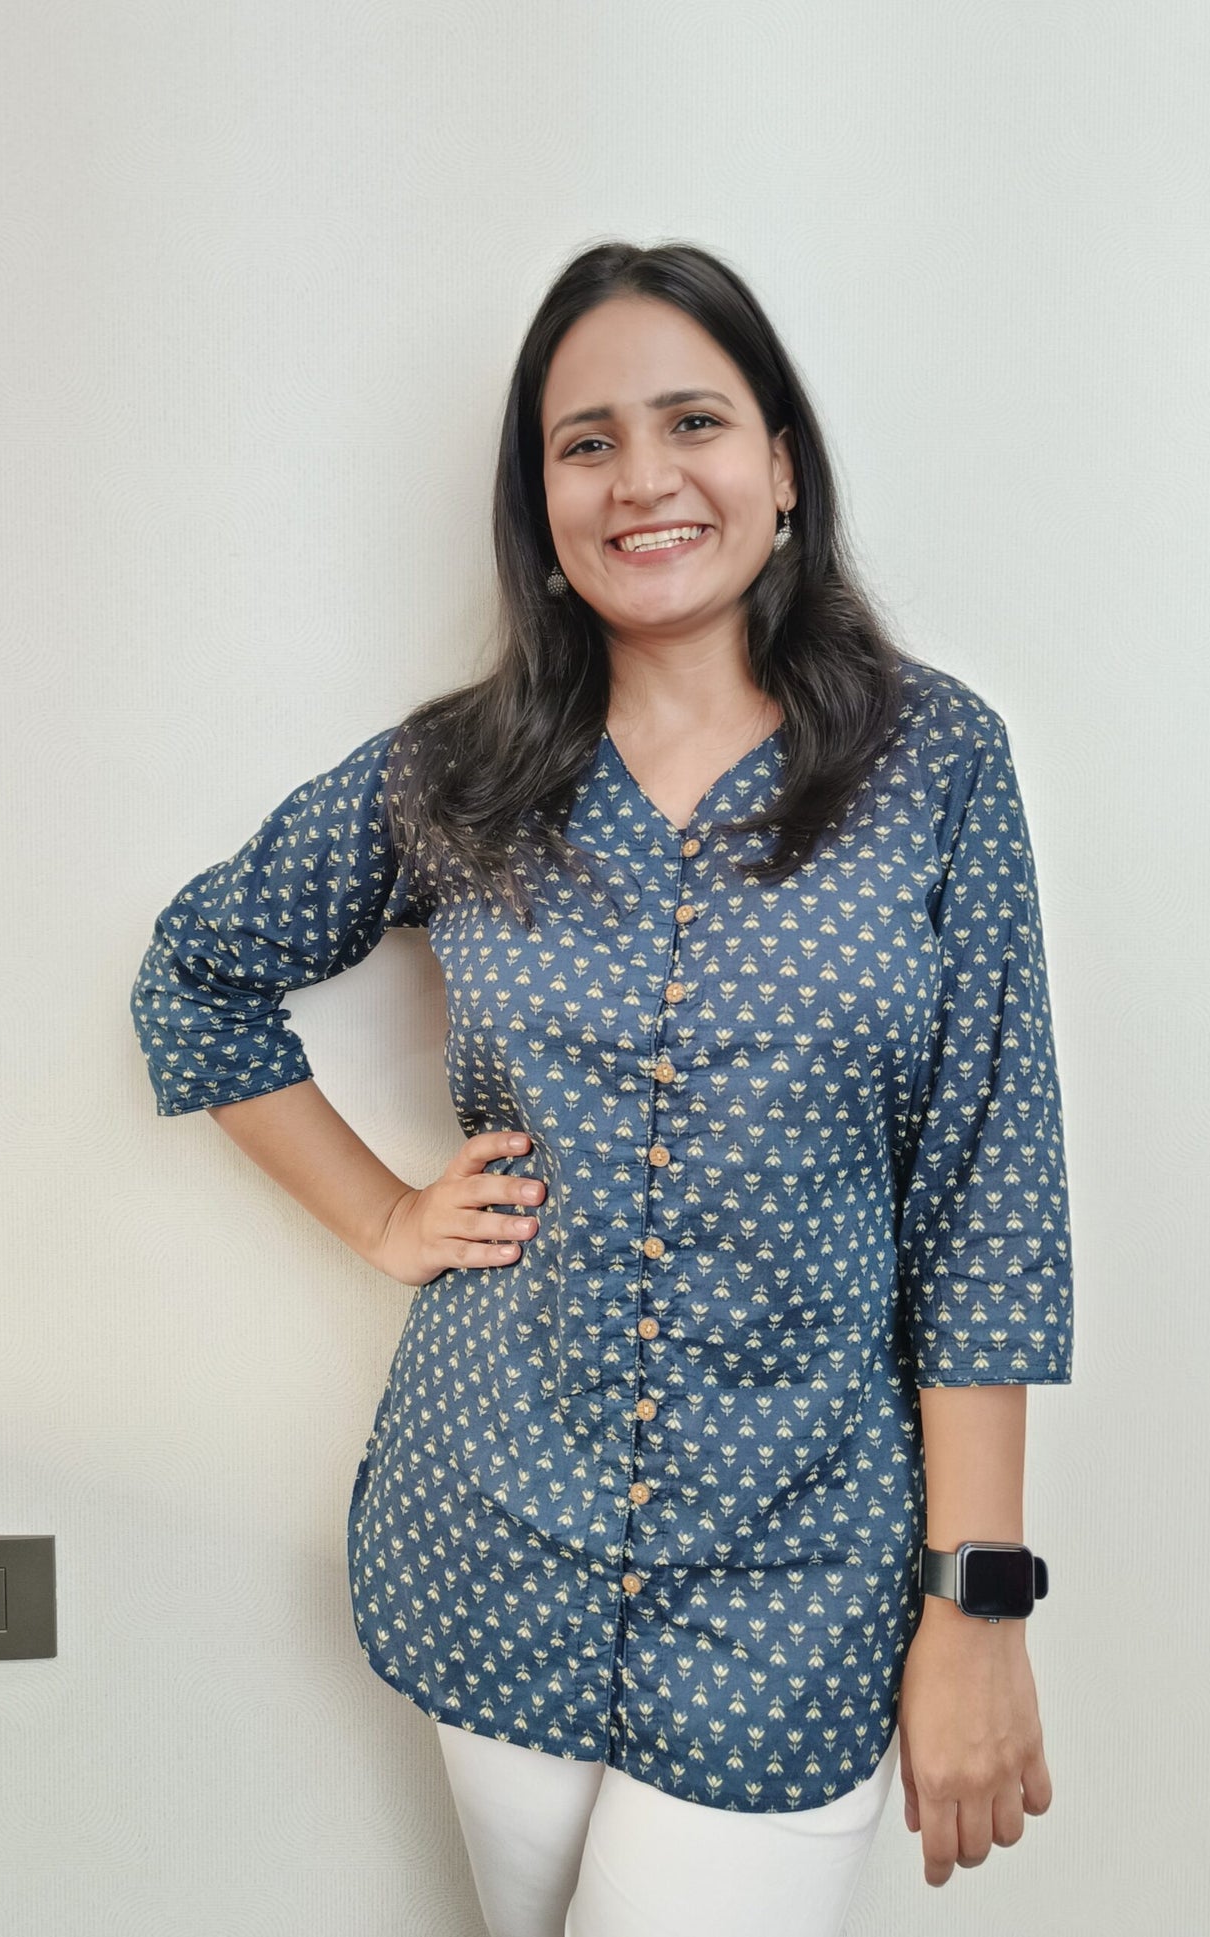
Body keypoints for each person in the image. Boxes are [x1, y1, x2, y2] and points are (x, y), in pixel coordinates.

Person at [129, 239, 1074, 1937]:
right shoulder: (455, 773)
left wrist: (977, 1601)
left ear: (780, 467)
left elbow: (985, 1197)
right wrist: (381, 1212)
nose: (642, 478)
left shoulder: (937, 766)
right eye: (584, 442)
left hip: (799, 1574)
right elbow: (197, 977)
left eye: (692, 420)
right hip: (494, 1531)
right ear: (540, 502)